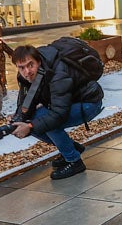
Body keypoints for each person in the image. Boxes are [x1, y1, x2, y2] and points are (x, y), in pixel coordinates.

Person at [9, 42, 104, 180]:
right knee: (34, 121)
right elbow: (26, 103)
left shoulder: (57, 73)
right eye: (21, 68)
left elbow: (58, 115)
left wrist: (29, 126)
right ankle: (71, 148)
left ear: (39, 62)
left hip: (88, 102)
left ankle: (74, 161)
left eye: (31, 65)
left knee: (44, 120)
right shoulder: (27, 76)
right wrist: (18, 119)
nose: (27, 72)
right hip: (67, 104)